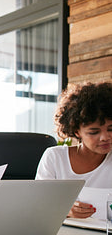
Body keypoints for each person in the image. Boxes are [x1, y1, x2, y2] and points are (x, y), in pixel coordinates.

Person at [36, 82, 112, 218]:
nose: (105, 137)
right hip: (63, 234)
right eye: (94, 132)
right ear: (77, 132)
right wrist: (66, 209)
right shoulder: (54, 157)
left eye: (111, 129)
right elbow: (38, 204)